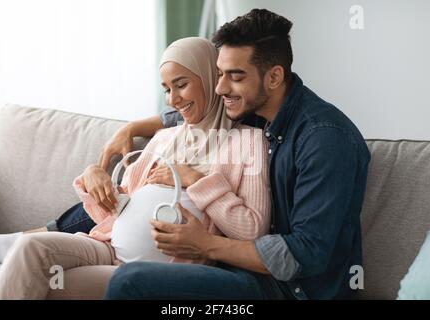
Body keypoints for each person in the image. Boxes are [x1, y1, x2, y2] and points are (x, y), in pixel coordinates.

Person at [102, 9, 371, 300]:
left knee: (130, 282)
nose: (220, 88)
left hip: (288, 290)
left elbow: (306, 254)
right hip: (235, 270)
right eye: (220, 74)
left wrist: (206, 245)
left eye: (235, 76)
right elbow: (191, 113)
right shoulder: (257, 110)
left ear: (274, 77)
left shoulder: (323, 139)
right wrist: (132, 128)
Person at [0, 37, 271, 299]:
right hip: (107, 248)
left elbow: (252, 230)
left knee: (44, 280)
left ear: (210, 78)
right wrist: (94, 180)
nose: (173, 100)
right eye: (167, 90)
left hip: (150, 273)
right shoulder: (164, 138)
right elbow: (116, 209)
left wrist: (195, 180)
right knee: (30, 248)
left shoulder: (248, 142)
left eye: (181, 85)